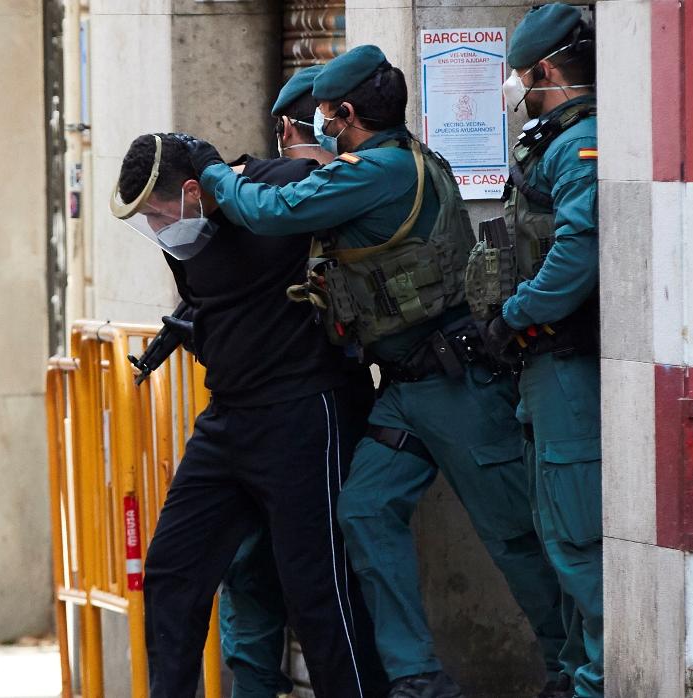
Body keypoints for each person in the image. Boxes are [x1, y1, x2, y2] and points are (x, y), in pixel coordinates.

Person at [182, 45, 571, 698]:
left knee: (513, 540)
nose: (320, 123)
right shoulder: (403, 159)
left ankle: (572, 670)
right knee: (363, 511)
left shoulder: (378, 172)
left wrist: (212, 173)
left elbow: (269, 212)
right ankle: (416, 677)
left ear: (346, 113)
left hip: (457, 389)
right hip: (405, 390)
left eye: (326, 113)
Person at [112, 132, 389, 698]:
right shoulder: (186, 239)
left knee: (317, 589)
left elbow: (331, 196)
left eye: (160, 216)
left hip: (303, 412)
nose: (160, 232)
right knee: (172, 572)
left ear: (194, 190)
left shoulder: (280, 188)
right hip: (228, 416)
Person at [473, 5, 604, 697]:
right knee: (559, 534)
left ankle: (597, 682)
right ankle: (574, 676)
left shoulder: (579, 144)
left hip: (565, 367)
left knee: (581, 540)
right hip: (541, 370)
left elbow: (577, 253)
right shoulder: (555, 141)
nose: (515, 86)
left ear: (545, 71)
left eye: (520, 75)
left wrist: (516, 316)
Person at [215, 65, 337, 698]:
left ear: (288, 126)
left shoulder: (318, 184)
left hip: (312, 403)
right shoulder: (272, 186)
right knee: (250, 563)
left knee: (311, 570)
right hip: (284, 402)